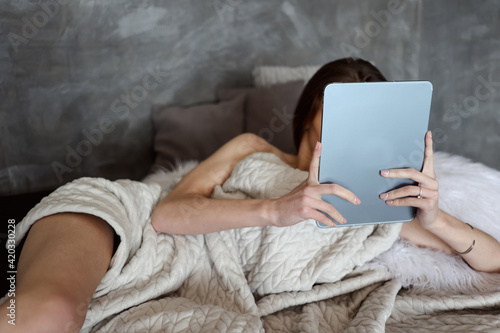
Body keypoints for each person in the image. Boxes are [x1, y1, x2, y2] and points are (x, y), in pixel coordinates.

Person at [2, 58, 500, 333]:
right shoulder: (253, 150)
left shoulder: (378, 203)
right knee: (46, 315)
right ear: (305, 125)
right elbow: (168, 213)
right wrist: (278, 209)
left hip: (205, 278)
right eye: (328, 134)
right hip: (128, 222)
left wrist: (433, 218)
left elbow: (494, 263)